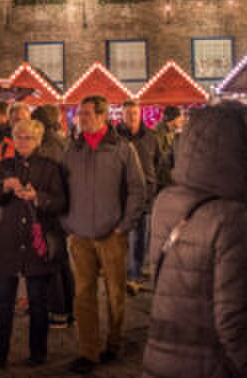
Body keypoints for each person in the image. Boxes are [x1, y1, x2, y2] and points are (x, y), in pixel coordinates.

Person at [141, 101, 247, 378]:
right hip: (210, 366)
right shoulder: (235, 219)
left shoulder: (166, 203)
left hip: (160, 361)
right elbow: (241, 330)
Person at [62, 94, 146, 374]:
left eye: (86, 114)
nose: (81, 119)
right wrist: (67, 222)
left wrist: (124, 225)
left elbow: (137, 188)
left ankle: (114, 342)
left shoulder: (122, 149)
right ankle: (88, 351)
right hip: (80, 235)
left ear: (102, 116)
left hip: (112, 234)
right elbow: (61, 187)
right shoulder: (71, 150)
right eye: (79, 114)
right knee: (83, 294)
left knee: (115, 294)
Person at [0, 119, 68, 368]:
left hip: (36, 241)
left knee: (38, 301)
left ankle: (38, 352)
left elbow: (61, 202)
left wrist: (38, 198)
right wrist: (4, 186)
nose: (22, 141)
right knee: (3, 301)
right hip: (9, 241)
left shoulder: (50, 167)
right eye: (18, 136)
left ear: (38, 140)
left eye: (28, 137)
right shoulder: (6, 165)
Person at [31, 103, 74, 329]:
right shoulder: (62, 141)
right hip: (62, 208)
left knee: (52, 261)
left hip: (50, 208)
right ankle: (70, 309)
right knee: (62, 261)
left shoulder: (47, 146)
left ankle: (58, 311)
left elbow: (46, 178)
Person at [115, 98, 159, 293]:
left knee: (140, 236)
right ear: (122, 115)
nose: (131, 117)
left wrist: (152, 183)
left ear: (140, 114)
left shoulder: (151, 136)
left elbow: (157, 161)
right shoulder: (115, 136)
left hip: (145, 194)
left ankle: (134, 274)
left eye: (134, 113)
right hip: (120, 193)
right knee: (120, 236)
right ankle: (121, 272)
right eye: (128, 114)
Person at [153, 105, 184, 190]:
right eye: (180, 117)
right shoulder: (159, 131)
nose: (182, 120)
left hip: (169, 176)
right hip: (162, 179)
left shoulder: (172, 131)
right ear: (173, 118)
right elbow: (159, 154)